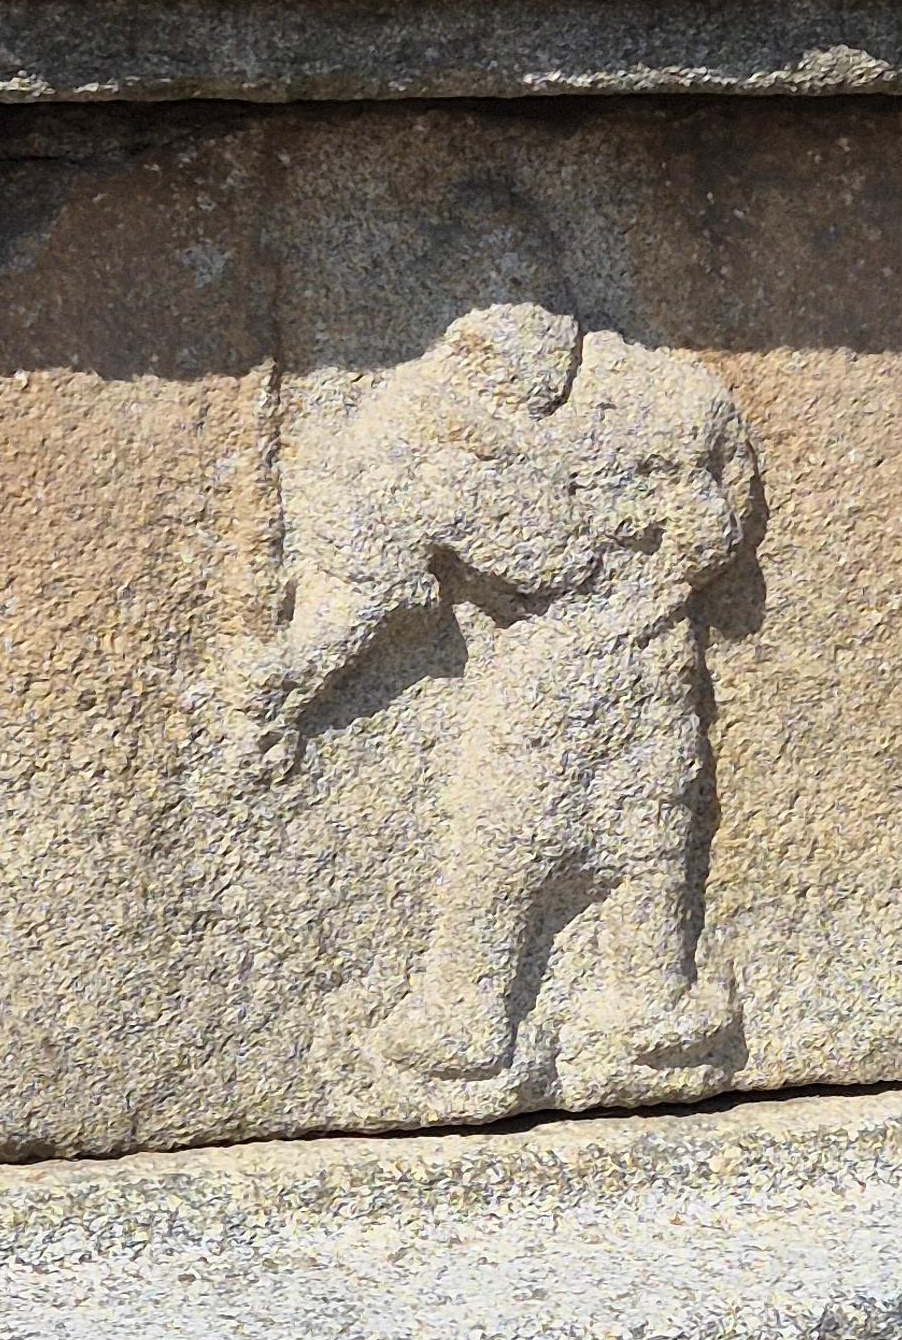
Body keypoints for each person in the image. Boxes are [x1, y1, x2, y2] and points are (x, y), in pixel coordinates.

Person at [252, 244, 759, 1090]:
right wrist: (294, 672)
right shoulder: (427, 425)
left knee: (614, 833)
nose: (516, 342)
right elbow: (372, 583)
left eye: (525, 311)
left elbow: (715, 525)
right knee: (552, 834)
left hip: (622, 666)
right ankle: (529, 1007)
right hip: (584, 662)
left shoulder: (661, 396)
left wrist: (655, 562)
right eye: (490, 324)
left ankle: (605, 1001)